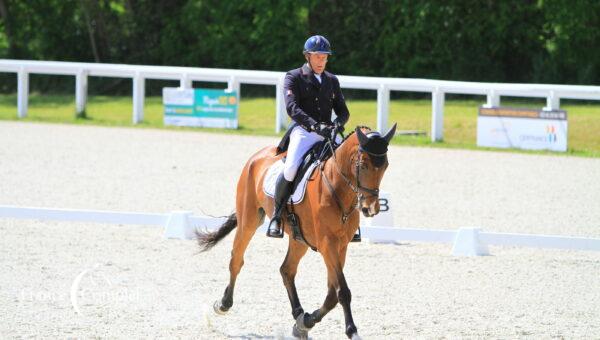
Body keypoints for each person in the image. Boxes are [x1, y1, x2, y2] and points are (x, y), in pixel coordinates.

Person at [267, 35, 350, 238]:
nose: (322, 61)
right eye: (318, 57)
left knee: (349, 165)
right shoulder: (294, 77)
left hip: (328, 134)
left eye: (325, 58)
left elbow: (343, 111)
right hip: (304, 132)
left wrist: (337, 124)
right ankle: (277, 217)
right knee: (291, 168)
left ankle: (352, 221)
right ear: (308, 56)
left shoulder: (332, 80)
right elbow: (292, 107)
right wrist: (314, 125)